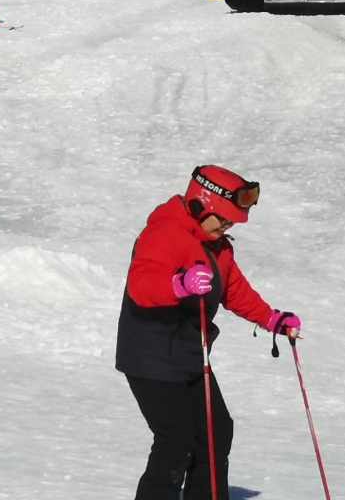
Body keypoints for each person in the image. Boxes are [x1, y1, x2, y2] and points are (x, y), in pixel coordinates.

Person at [116, 166, 299, 500]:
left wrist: (272, 319)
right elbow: (140, 285)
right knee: (176, 440)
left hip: (189, 355)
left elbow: (234, 291)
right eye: (224, 219)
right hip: (151, 356)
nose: (227, 226)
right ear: (201, 205)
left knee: (215, 432)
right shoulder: (165, 234)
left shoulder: (217, 247)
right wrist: (178, 284)